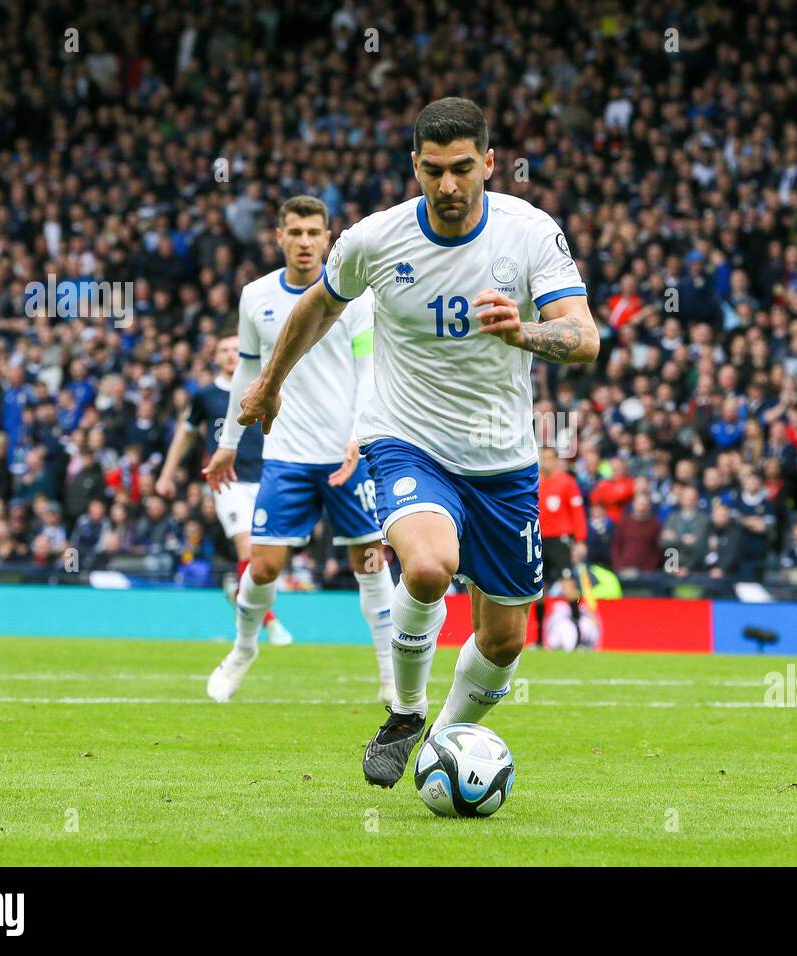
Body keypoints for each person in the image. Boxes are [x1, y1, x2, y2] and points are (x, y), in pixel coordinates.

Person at [235, 99, 599, 788]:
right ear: (415, 167)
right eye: (433, 171)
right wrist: (270, 382)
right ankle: (404, 711)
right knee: (429, 567)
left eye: (464, 168)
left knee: (504, 638)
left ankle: (450, 737)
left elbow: (584, 337)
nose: (449, 186)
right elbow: (319, 302)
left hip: (502, 460)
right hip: (407, 439)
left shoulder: (529, 234)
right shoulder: (377, 238)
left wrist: (525, 332)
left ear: (490, 163)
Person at [205, 195, 395, 705]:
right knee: (263, 567)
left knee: (371, 563)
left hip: (345, 454)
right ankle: (243, 650)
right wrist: (227, 443)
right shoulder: (256, 296)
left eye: (315, 232)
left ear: (329, 237)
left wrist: (360, 435)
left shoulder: (356, 297)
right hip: (285, 454)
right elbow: (247, 373)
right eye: (297, 232)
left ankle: (387, 673)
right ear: (280, 237)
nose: (306, 242)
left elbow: (366, 370)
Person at [156, 329, 291, 645]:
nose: (230, 354)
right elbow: (185, 435)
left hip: (267, 478)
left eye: (235, 348)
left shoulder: (263, 386)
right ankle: (269, 623)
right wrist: (166, 474)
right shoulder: (205, 395)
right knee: (247, 549)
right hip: (227, 482)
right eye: (224, 349)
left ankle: (241, 596)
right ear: (216, 357)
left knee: (267, 558)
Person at [534, 445, 586, 647]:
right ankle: (539, 640)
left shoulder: (567, 482)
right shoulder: (534, 481)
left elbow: (578, 512)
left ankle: (579, 638)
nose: (545, 462)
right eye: (542, 458)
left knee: (568, 586)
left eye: (549, 458)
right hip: (539, 540)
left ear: (556, 460)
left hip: (561, 540)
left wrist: (580, 540)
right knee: (539, 590)